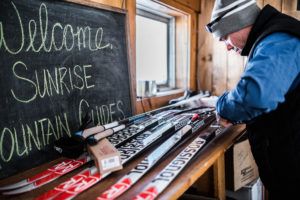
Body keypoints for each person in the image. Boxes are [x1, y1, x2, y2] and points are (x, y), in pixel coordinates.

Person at [205, 0, 300, 199]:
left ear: (237, 23)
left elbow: (254, 97)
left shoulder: (278, 39)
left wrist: (222, 106)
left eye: (224, 38)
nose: (227, 48)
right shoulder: (270, 38)